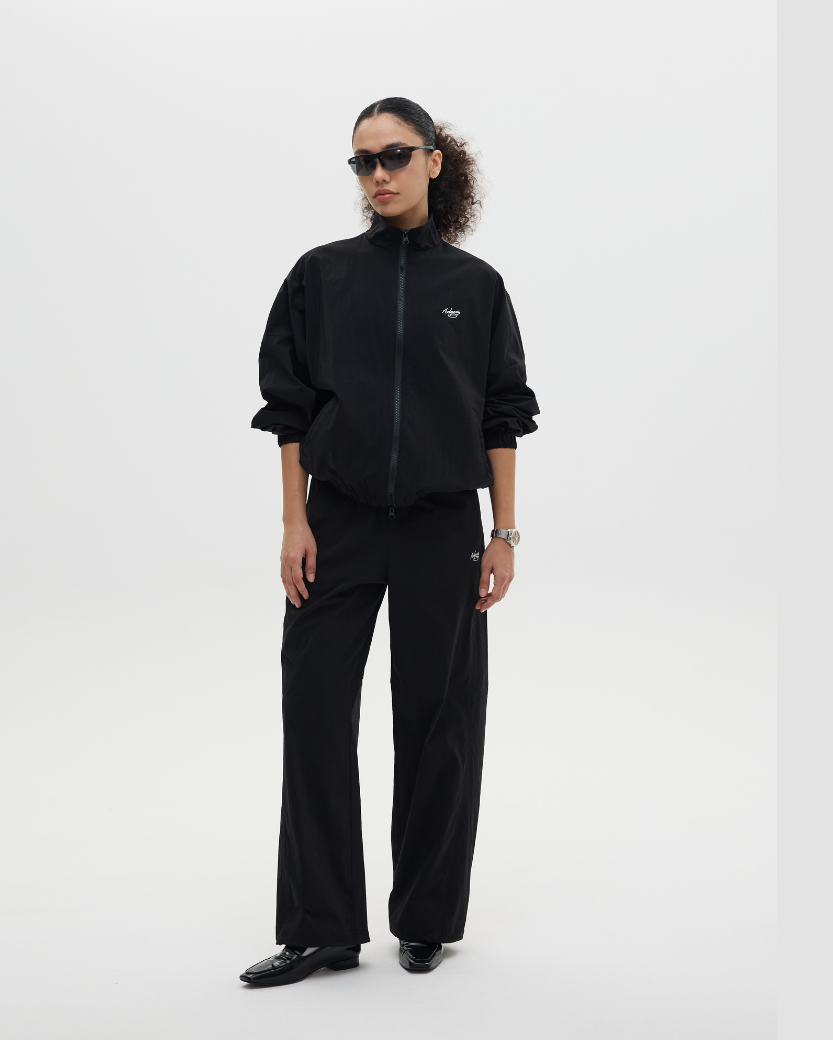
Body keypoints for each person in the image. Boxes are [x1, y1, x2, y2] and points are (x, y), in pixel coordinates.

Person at [240, 97, 539, 987]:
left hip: (444, 526)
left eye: (396, 155)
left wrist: (504, 533)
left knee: (439, 720)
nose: (379, 174)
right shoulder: (321, 275)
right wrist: (295, 519)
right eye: (364, 161)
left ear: (434, 161)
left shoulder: (476, 286)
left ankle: (427, 918)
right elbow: (289, 408)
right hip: (338, 520)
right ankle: (322, 928)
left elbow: (502, 414)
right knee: (314, 709)